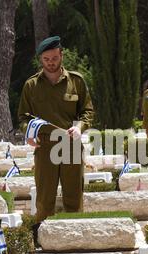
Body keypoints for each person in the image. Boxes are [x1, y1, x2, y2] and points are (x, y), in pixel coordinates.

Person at [18, 36, 94, 241]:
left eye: (53, 58)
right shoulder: (31, 85)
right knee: (45, 198)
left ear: (61, 55)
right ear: (41, 59)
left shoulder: (76, 82)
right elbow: (23, 117)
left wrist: (80, 127)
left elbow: (87, 111)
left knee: (73, 197)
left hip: (70, 145)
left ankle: (74, 239)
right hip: (44, 146)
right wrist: (29, 134)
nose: (50, 62)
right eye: (46, 59)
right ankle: (42, 240)